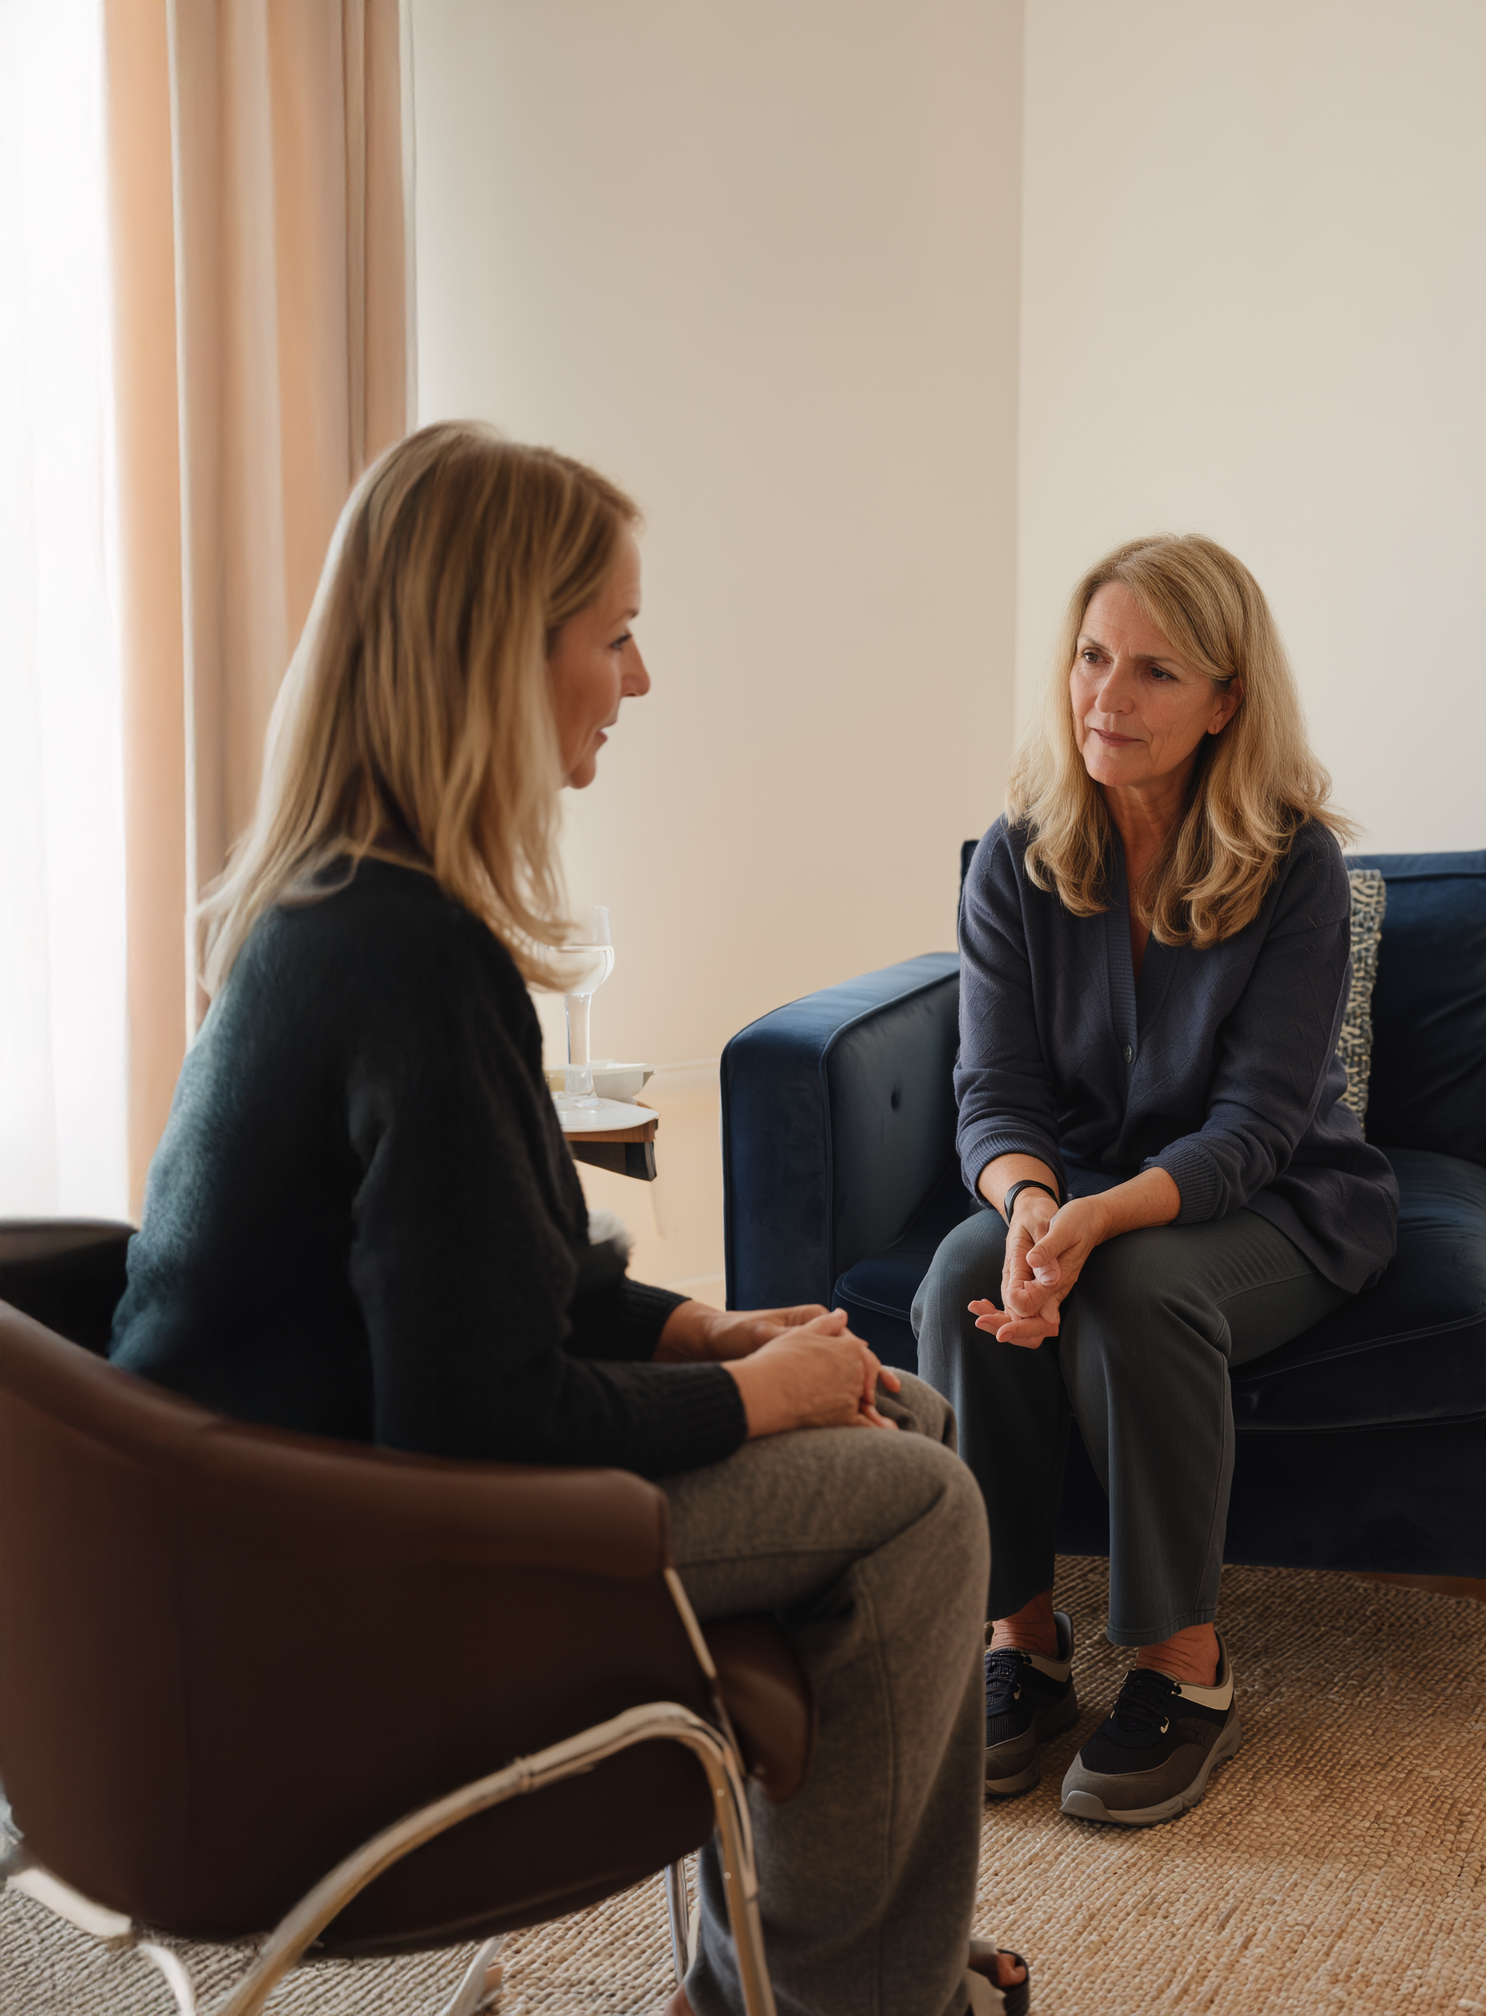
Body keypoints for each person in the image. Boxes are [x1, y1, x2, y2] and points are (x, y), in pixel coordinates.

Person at [109, 423, 1028, 2016]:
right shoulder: (410, 960)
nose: (641, 678)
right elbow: (482, 1411)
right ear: (495, 656)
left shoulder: (341, 907)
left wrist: (695, 1329)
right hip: (352, 1588)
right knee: (927, 1512)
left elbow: (485, 1273)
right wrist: (752, 1395)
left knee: (911, 1411)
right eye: (614, 634)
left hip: (279, 1537)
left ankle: (773, 1984)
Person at [914, 534, 1399, 1831]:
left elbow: (1253, 1129)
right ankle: (1020, 1644)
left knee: (1136, 1290)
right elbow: (994, 1099)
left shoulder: (1297, 870)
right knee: (963, 1270)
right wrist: (1027, 1212)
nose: (1105, 698)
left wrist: (1097, 1218)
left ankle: (1188, 1670)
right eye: (1089, 658)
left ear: (1225, 703)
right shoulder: (1013, 855)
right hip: (1074, 1189)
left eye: (1153, 672)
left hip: (1280, 1200)